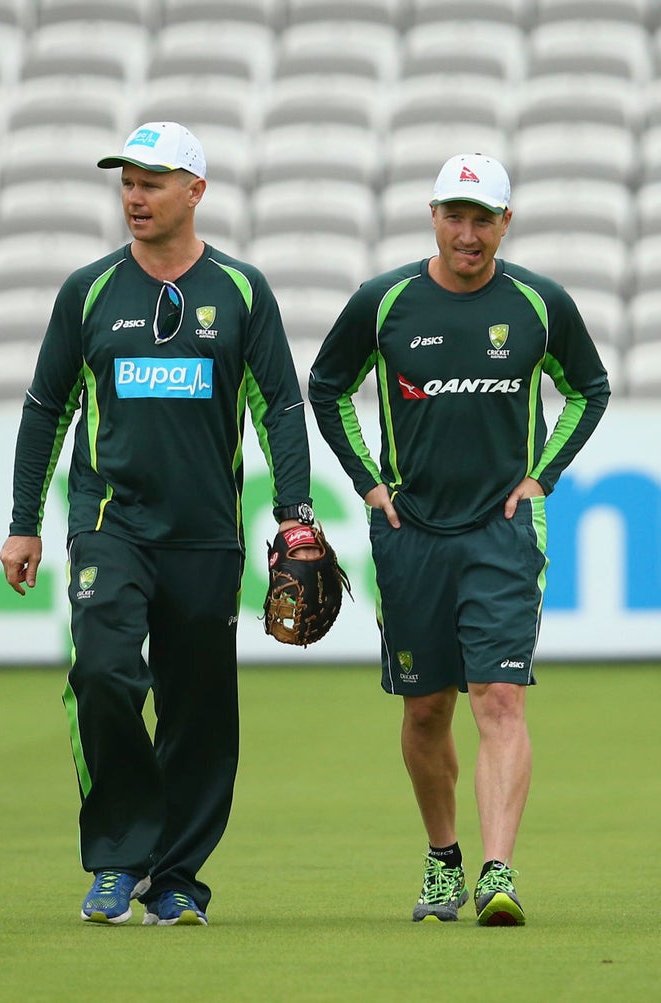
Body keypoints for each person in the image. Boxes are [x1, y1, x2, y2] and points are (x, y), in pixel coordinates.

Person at [0, 121, 321, 927]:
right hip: (111, 524)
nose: (134, 196)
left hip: (209, 533)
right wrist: (23, 522)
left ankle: (176, 877)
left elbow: (281, 405)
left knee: (201, 713)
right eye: (127, 181)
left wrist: (296, 517)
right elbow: (46, 409)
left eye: (152, 181)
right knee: (104, 673)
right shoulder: (90, 290)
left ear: (195, 192)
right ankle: (116, 858)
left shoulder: (243, 291)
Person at [308, 153, 610, 926]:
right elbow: (327, 385)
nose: (468, 233)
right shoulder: (385, 302)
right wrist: (369, 482)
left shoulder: (541, 305)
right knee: (424, 711)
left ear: (506, 222)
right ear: (433, 216)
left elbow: (589, 388)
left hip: (503, 532)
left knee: (499, 696)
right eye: (455, 215)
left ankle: (497, 870)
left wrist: (541, 476)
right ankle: (443, 860)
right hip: (411, 534)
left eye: (483, 218)